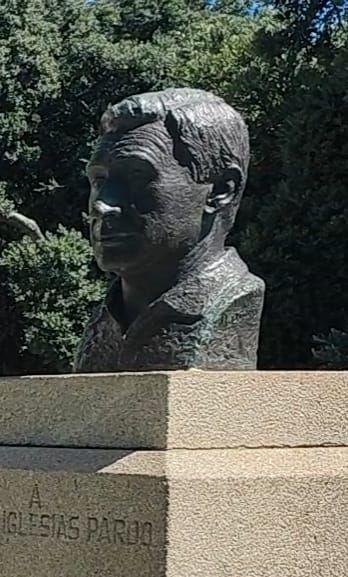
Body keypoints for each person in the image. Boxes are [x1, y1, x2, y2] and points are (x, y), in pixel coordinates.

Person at [76, 88, 264, 373]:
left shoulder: (228, 304)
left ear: (220, 190)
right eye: (99, 181)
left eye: (137, 176)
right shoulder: (105, 320)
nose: (102, 205)